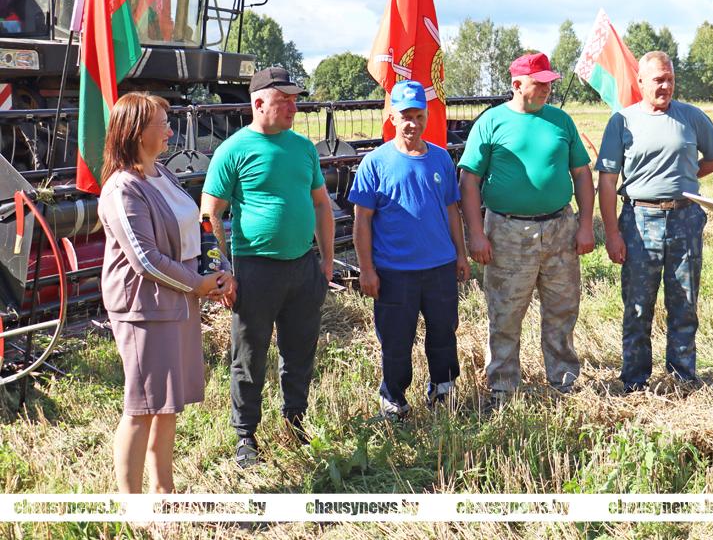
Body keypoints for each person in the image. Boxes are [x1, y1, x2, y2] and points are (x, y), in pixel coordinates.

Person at [98, 92, 233, 492]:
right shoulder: (123, 189)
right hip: (144, 310)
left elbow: (197, 227)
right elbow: (146, 259)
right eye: (163, 124)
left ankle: (164, 492)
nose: (171, 132)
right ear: (139, 132)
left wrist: (218, 270)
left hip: (177, 302)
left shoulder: (162, 174)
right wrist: (198, 284)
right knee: (142, 407)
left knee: (167, 404)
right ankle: (134, 506)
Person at [200, 66, 334, 468]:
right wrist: (222, 271)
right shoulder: (233, 150)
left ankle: (295, 422)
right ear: (258, 103)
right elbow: (209, 214)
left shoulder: (304, 148)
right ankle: (246, 436)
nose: (294, 107)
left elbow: (321, 205)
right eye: (284, 100)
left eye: (295, 100)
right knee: (249, 356)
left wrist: (326, 261)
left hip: (303, 267)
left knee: (300, 351)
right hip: (255, 271)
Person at [458, 52, 595, 405]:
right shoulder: (491, 122)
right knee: (505, 312)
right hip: (507, 231)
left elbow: (582, 174)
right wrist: (476, 233)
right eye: (540, 83)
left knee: (563, 308)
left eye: (550, 82)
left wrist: (584, 224)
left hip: (560, 228)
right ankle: (503, 387)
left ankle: (563, 381)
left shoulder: (560, 121)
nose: (548, 89)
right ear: (517, 84)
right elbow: (469, 180)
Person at [596, 51, 713, 392]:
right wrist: (612, 233)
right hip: (639, 221)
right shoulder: (622, 121)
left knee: (684, 303)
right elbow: (607, 181)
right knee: (638, 306)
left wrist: (687, 177)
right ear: (640, 82)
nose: (665, 86)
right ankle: (635, 380)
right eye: (658, 80)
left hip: (685, 218)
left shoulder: (691, 117)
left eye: (670, 79)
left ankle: (682, 378)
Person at [349, 80, 470, 420]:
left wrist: (460, 255)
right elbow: (362, 221)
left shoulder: (441, 159)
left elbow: (452, 210)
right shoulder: (375, 163)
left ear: (427, 116)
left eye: (419, 116)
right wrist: (367, 269)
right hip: (394, 272)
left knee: (443, 332)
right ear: (392, 118)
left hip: (439, 267)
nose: (412, 124)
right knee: (396, 340)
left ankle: (443, 389)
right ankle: (394, 399)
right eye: (406, 116)